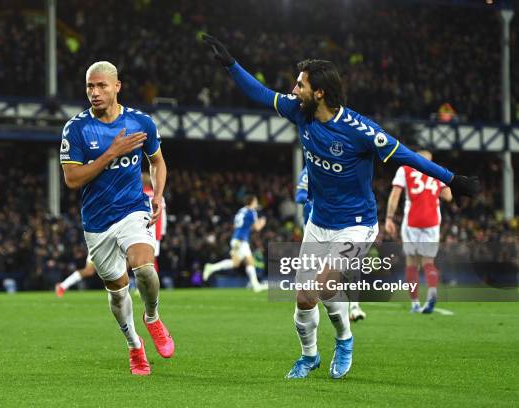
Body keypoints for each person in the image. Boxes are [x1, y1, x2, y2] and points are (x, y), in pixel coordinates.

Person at [202, 34, 479, 380]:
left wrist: (452, 180)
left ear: (319, 92)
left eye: (300, 84)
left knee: (326, 282)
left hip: (357, 224)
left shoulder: (361, 131)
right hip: (320, 222)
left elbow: (407, 156)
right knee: (304, 297)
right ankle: (309, 356)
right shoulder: (299, 112)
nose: (293, 89)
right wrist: (231, 65)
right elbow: (260, 93)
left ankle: (344, 340)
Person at [60, 61, 174, 376]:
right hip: (97, 223)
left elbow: (158, 162)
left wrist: (158, 196)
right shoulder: (76, 128)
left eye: (101, 86)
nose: (94, 93)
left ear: (117, 87)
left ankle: (152, 317)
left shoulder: (141, 123)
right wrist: (110, 152)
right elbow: (72, 179)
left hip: (132, 209)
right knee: (118, 291)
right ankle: (134, 347)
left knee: (146, 268)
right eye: (89, 87)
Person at [385, 150, 453, 314]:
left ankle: (415, 303)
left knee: (412, 263)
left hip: (412, 222)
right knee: (428, 262)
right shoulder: (437, 171)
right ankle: (431, 292)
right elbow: (448, 196)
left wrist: (389, 217)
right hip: (432, 222)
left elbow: (395, 194)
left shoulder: (405, 169)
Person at [296, 166, 366, 322]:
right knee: (318, 275)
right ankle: (325, 305)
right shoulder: (308, 171)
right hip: (315, 228)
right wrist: (319, 201)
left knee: (350, 265)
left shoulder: (339, 166)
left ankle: (354, 306)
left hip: (341, 225)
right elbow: (300, 196)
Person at [203, 195, 267, 292]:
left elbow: (238, 225)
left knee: (247, 261)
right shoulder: (252, 212)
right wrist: (263, 222)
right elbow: (257, 228)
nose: (257, 204)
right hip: (241, 240)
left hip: (237, 239)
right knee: (237, 262)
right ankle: (211, 267)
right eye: (256, 201)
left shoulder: (241, 211)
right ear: (252, 202)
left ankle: (255, 284)